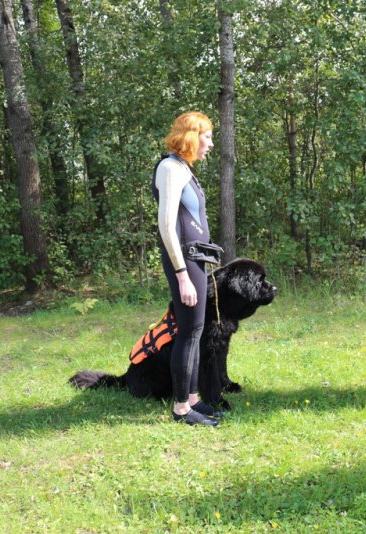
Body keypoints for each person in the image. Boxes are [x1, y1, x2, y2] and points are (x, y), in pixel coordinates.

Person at [153, 111, 221, 426]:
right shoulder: (170, 168)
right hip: (184, 260)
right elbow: (166, 224)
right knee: (189, 332)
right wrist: (182, 275)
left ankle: (192, 399)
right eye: (207, 137)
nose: (210, 144)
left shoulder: (183, 169)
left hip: (195, 259)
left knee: (196, 329)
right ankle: (181, 410)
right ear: (193, 136)